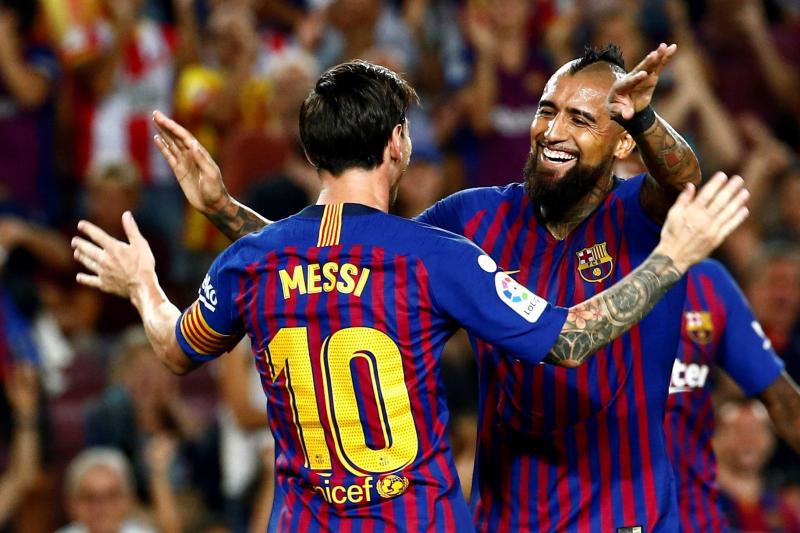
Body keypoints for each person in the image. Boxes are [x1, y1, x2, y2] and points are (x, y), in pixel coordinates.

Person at [72, 59, 747, 531]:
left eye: (577, 116)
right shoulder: (435, 253)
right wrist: (674, 258)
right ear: (398, 143)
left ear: (311, 150)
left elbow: (178, 344)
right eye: (546, 110)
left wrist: (144, 282)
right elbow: (568, 338)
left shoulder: (254, 261)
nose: (552, 129)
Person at [664, 259, 800, 532]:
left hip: (695, 512)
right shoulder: (584, 273)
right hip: (606, 503)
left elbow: (784, 402)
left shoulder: (707, 281)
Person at [714, 400, 800, 532]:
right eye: (738, 430)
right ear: (715, 438)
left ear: (772, 439)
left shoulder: (785, 505)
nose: (749, 439)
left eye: (757, 430)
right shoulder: (697, 499)